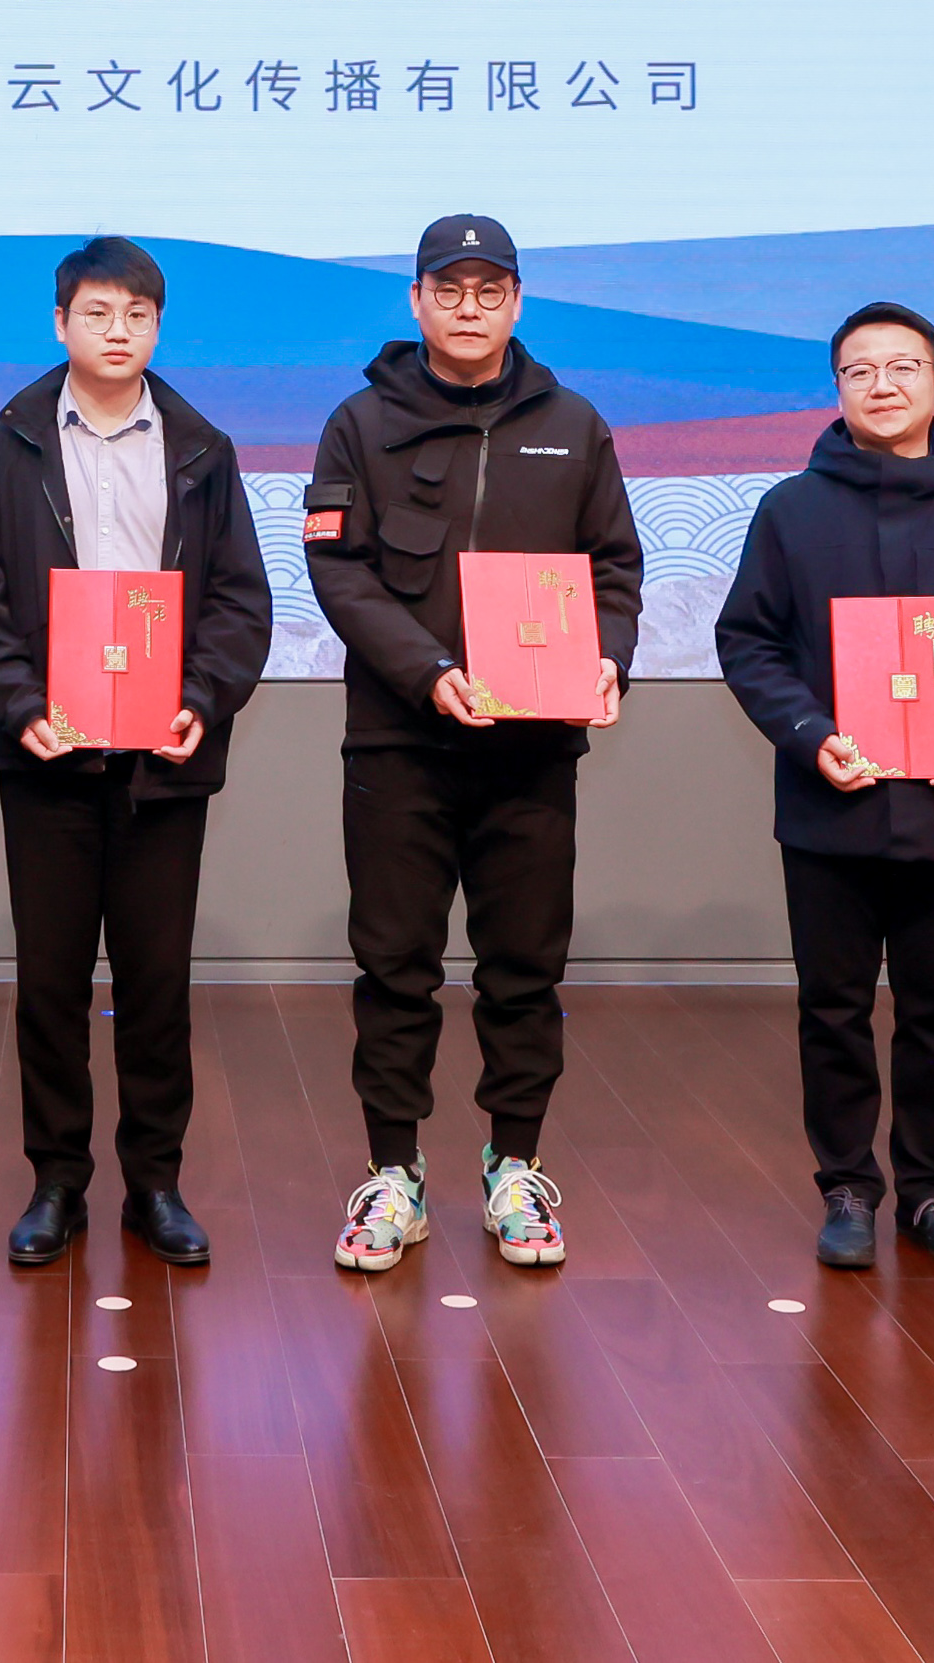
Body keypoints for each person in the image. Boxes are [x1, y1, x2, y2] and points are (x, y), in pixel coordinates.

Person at [303, 215, 642, 1275]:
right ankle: (392, 1173)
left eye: (488, 289)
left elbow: (614, 570)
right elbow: (337, 569)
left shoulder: (573, 425)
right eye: (447, 289)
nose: (467, 307)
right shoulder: (360, 422)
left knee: (524, 966)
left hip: (532, 749)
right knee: (393, 964)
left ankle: (516, 1165)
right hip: (398, 741)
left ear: (517, 301)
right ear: (415, 300)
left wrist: (608, 660)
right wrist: (425, 669)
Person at [0, 236, 276, 1267]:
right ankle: (55, 1179)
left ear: (158, 326)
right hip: (48, 752)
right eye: (97, 312)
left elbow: (240, 601)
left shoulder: (202, 448)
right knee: (48, 979)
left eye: (137, 314)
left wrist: (200, 699)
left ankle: (155, 1182)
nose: (117, 330)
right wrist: (19, 706)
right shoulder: (8, 441)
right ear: (61, 323)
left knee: (156, 979)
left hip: (161, 756)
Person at [715, 303, 934, 1274]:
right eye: (859, 369)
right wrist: (809, 734)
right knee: (831, 1006)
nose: (882, 384)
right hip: (829, 800)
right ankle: (845, 1187)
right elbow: (747, 638)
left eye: (902, 366)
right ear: (836, 388)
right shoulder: (791, 509)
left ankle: (929, 1189)